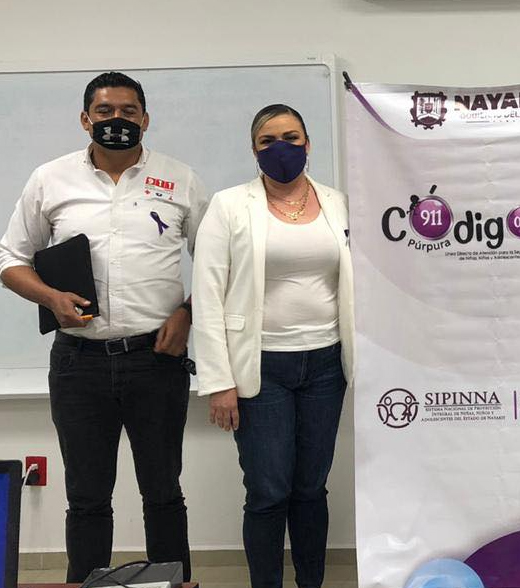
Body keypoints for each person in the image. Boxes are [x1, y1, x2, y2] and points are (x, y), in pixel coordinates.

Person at [0, 72, 207, 582]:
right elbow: (10, 259)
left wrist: (187, 313)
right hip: (79, 364)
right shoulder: (50, 179)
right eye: (105, 111)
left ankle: (169, 584)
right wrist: (50, 297)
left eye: (128, 111)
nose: (117, 120)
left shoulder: (180, 179)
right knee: (87, 497)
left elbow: (216, 264)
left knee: (163, 493)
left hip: (156, 361)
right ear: (85, 119)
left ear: (145, 119)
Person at [192, 104, 354, 588]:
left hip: (326, 364)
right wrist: (219, 382)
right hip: (259, 367)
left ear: (308, 144)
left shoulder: (339, 203)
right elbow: (207, 293)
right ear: (254, 149)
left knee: (311, 489)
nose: (281, 147)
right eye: (268, 140)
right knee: (268, 490)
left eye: (291, 137)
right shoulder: (229, 206)